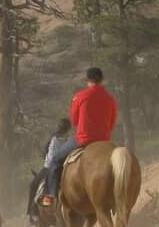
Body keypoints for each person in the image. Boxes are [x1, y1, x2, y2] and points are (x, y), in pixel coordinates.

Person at [40, 67, 118, 207]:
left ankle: (50, 196)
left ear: (88, 80)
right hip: (104, 141)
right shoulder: (110, 99)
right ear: (102, 80)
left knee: (55, 161)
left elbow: (74, 121)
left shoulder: (81, 96)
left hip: (83, 139)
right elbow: (112, 123)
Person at [28, 117, 72, 222]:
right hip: (66, 167)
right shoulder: (70, 140)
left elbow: (48, 155)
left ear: (59, 127)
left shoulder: (54, 138)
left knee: (34, 184)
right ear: (68, 129)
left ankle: (33, 212)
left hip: (50, 168)